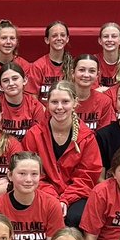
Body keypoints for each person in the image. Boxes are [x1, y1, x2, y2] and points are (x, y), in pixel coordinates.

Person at [22, 81, 103, 226]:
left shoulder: (87, 137)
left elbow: (87, 176)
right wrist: (54, 198)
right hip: (41, 192)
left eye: (65, 101)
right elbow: (31, 173)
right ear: (47, 104)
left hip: (77, 195)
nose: (59, 107)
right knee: (41, 213)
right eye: (54, 102)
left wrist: (66, 199)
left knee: (76, 217)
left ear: (75, 103)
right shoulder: (34, 135)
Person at [0, 151, 65, 240]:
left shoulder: (51, 204)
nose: (28, 179)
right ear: (10, 175)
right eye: (22, 173)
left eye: (34, 174)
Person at [27, 21, 74, 101]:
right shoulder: (38, 66)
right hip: (43, 112)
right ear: (47, 40)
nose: (59, 38)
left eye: (62, 35)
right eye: (54, 35)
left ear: (67, 39)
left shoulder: (73, 65)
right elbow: (32, 97)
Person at [0, 62, 44, 139]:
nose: (11, 83)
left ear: (25, 80)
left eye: (15, 78)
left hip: (28, 149)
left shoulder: (35, 106)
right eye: (5, 81)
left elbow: (37, 138)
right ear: (0, 86)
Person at [73, 54, 118, 132]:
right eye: (82, 70)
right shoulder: (62, 98)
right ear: (73, 73)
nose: (86, 75)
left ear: (97, 75)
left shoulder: (104, 101)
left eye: (92, 71)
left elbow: (104, 134)